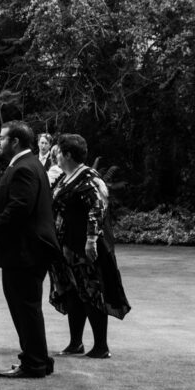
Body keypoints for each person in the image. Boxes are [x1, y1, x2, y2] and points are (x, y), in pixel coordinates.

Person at [0, 120, 60, 379]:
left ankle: (34, 363)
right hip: (25, 252)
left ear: (15, 142)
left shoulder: (24, 168)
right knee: (27, 307)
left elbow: (18, 210)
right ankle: (39, 358)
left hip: (25, 253)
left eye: (1, 138)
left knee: (25, 307)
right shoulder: (28, 165)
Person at [49, 133, 130, 358]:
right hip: (66, 248)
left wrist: (91, 240)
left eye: (58, 153)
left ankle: (101, 346)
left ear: (67, 155)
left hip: (84, 248)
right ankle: (76, 342)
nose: (55, 157)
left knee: (91, 292)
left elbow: (97, 210)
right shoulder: (64, 177)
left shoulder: (89, 178)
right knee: (73, 293)